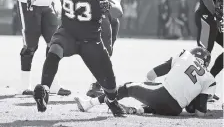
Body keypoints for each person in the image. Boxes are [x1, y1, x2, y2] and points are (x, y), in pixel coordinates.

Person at [28, 0, 126, 117]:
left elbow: (119, 12)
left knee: (110, 83)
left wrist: (108, 6)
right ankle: (44, 89)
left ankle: (111, 100)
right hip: (68, 32)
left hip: (92, 39)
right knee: (54, 49)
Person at [87, 0, 166, 98]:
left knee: (108, 48)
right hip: (99, 5)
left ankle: (97, 83)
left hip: (114, 5)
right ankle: (94, 85)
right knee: (105, 43)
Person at [75, 47, 216, 117]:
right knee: (158, 97)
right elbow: (199, 113)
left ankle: (89, 104)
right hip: (175, 110)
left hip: (161, 96)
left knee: (127, 87)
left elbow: (151, 74)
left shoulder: (185, 55)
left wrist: (147, 87)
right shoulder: (210, 79)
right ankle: (138, 110)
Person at [16, 0, 70, 96]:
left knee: (55, 43)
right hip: (29, 4)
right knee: (30, 46)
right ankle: (24, 85)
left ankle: (52, 84)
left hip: (47, 4)